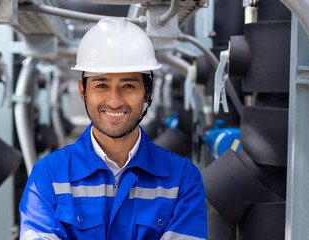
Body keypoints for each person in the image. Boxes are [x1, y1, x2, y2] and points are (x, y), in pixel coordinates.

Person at [19, 17, 207, 240]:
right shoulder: (48, 176)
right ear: (83, 91)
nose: (115, 101)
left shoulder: (182, 179)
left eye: (128, 85)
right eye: (101, 85)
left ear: (147, 92)